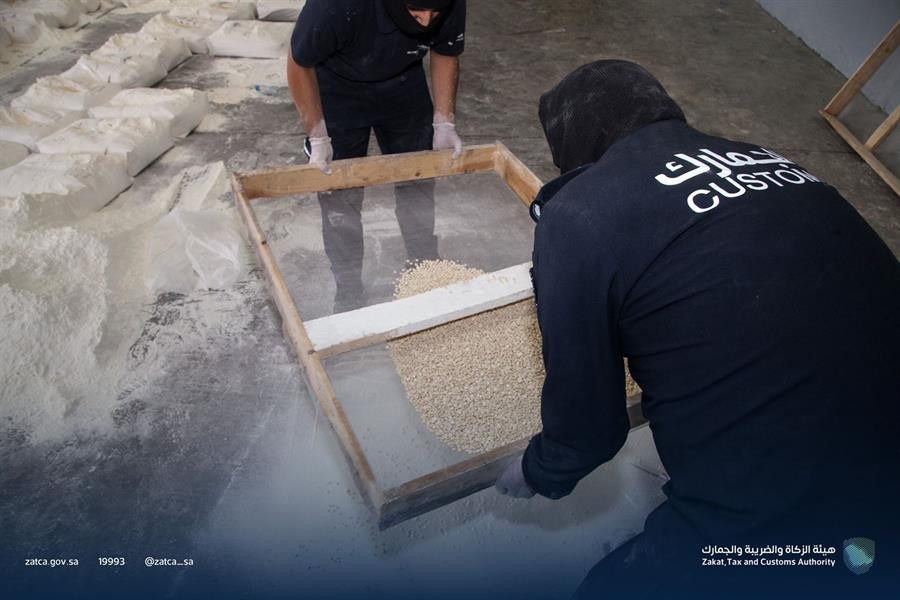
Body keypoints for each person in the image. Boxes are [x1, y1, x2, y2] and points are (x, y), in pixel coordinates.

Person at [494, 60, 900, 596]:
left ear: (574, 143)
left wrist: (538, 470)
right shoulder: (771, 158)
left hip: (788, 511)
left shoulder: (581, 213)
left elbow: (589, 429)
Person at [288, 0, 466, 312]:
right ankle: (348, 287)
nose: (426, 22)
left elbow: (445, 51)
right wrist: (317, 135)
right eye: (416, 12)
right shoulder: (335, 6)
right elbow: (299, 63)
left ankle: (424, 269)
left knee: (417, 181)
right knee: (339, 195)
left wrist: (444, 121)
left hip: (404, 84)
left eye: (435, 14)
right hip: (338, 88)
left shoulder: (449, 2)